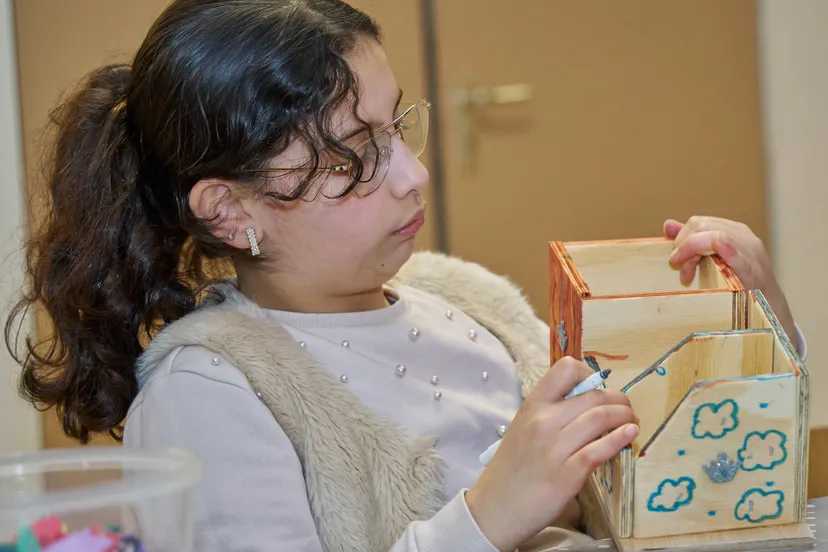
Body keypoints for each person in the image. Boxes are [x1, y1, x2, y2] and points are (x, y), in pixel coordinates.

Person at [6, 1, 806, 551]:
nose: (413, 177)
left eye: (397, 127)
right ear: (227, 209)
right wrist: (487, 518)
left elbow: (668, 484)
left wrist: (751, 325)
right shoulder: (212, 391)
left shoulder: (468, 300)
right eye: (354, 156)